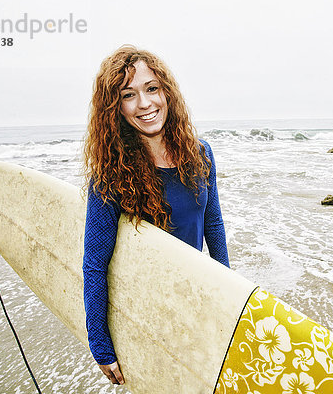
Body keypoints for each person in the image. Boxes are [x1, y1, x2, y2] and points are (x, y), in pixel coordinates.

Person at [82, 45, 230, 385]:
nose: (145, 104)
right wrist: (100, 345)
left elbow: (213, 224)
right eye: (128, 95)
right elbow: (94, 263)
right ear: (115, 107)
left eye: (152, 88)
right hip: (147, 309)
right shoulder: (110, 175)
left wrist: (226, 290)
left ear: (166, 92)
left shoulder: (200, 153)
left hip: (194, 295)